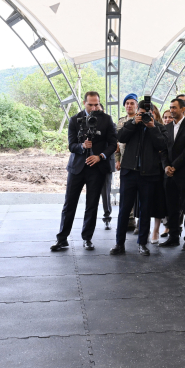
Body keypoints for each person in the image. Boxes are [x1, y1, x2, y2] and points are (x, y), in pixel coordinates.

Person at [51, 91, 118, 252]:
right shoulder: (75, 119)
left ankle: (87, 238)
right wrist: (82, 146)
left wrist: (100, 156)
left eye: (96, 104)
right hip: (77, 168)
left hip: (96, 168)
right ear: (84, 103)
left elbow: (113, 144)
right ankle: (62, 239)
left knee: (92, 205)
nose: (94, 107)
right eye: (91, 104)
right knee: (69, 204)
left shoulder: (106, 119)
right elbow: (71, 145)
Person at [111, 98, 165, 256]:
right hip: (129, 172)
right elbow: (120, 137)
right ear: (137, 113)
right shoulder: (131, 125)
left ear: (153, 113)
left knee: (145, 210)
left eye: (148, 113)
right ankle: (119, 243)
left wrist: (152, 127)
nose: (145, 116)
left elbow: (162, 145)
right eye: (142, 113)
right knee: (124, 209)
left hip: (148, 174)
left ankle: (142, 243)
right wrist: (134, 123)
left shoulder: (159, 127)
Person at [160, 97, 185, 249]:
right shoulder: (166, 127)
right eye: (170, 107)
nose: (172, 110)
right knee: (171, 206)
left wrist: (173, 166)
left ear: (183, 109)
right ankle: (173, 236)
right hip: (169, 174)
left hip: (184, 173)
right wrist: (166, 166)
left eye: (175, 108)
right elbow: (162, 150)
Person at [116, 93, 140, 231]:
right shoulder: (121, 121)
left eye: (132, 103)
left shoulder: (141, 119)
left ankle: (140, 220)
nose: (129, 106)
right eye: (127, 103)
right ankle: (129, 219)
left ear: (136, 105)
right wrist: (117, 160)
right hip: (125, 162)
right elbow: (118, 143)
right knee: (126, 193)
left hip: (139, 160)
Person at [147, 103, 168, 244]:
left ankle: (156, 229)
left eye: (151, 113)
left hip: (159, 168)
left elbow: (162, 146)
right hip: (145, 168)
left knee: (158, 202)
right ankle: (145, 228)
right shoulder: (139, 127)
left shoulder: (161, 128)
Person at [95, 102, 113, 230]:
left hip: (105, 162)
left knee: (106, 191)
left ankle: (107, 217)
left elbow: (113, 142)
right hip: (90, 162)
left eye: (98, 109)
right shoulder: (86, 124)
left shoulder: (109, 123)